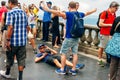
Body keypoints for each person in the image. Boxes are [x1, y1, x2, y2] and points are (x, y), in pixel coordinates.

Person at [41, 0, 96, 75]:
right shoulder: (80, 14)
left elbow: (58, 13)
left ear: (69, 7)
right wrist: (94, 10)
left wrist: (47, 9)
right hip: (76, 37)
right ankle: (73, 70)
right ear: (75, 7)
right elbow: (87, 13)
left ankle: (62, 69)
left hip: (69, 37)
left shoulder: (68, 14)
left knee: (63, 53)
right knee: (75, 53)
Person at [0, 0, 29, 80]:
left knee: (9, 58)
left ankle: (7, 73)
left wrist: (8, 40)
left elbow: (10, 28)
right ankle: (20, 77)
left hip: (13, 41)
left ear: (10, 3)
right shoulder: (24, 13)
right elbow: (27, 27)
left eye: (8, 3)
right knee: (21, 60)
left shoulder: (10, 13)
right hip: (22, 42)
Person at [97, 1, 119, 66]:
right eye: (116, 8)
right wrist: (110, 25)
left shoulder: (114, 14)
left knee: (108, 47)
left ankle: (108, 60)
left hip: (110, 34)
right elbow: (100, 24)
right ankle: (99, 59)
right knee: (102, 47)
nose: (116, 10)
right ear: (112, 7)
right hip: (104, 33)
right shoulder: (104, 13)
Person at [106, 16, 120, 80]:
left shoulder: (117, 18)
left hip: (115, 43)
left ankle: (112, 78)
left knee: (113, 63)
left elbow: (111, 31)